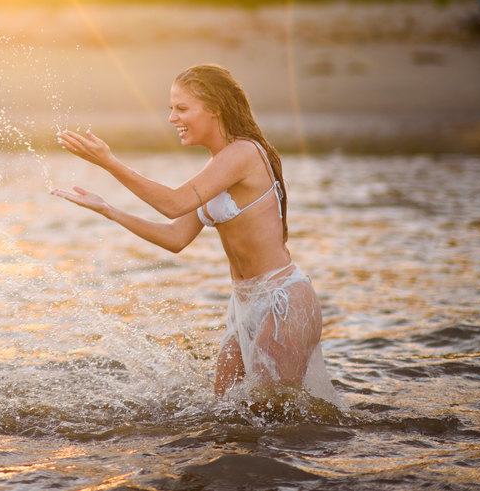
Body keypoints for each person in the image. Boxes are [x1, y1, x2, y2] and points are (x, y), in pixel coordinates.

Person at [51, 64, 337, 402]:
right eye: (171, 108)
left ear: (215, 108)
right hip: (243, 304)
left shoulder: (244, 153)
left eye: (182, 108)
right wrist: (108, 210)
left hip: (282, 299)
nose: (172, 118)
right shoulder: (217, 165)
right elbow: (176, 237)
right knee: (229, 413)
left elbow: (173, 204)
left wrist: (109, 163)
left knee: (271, 416)